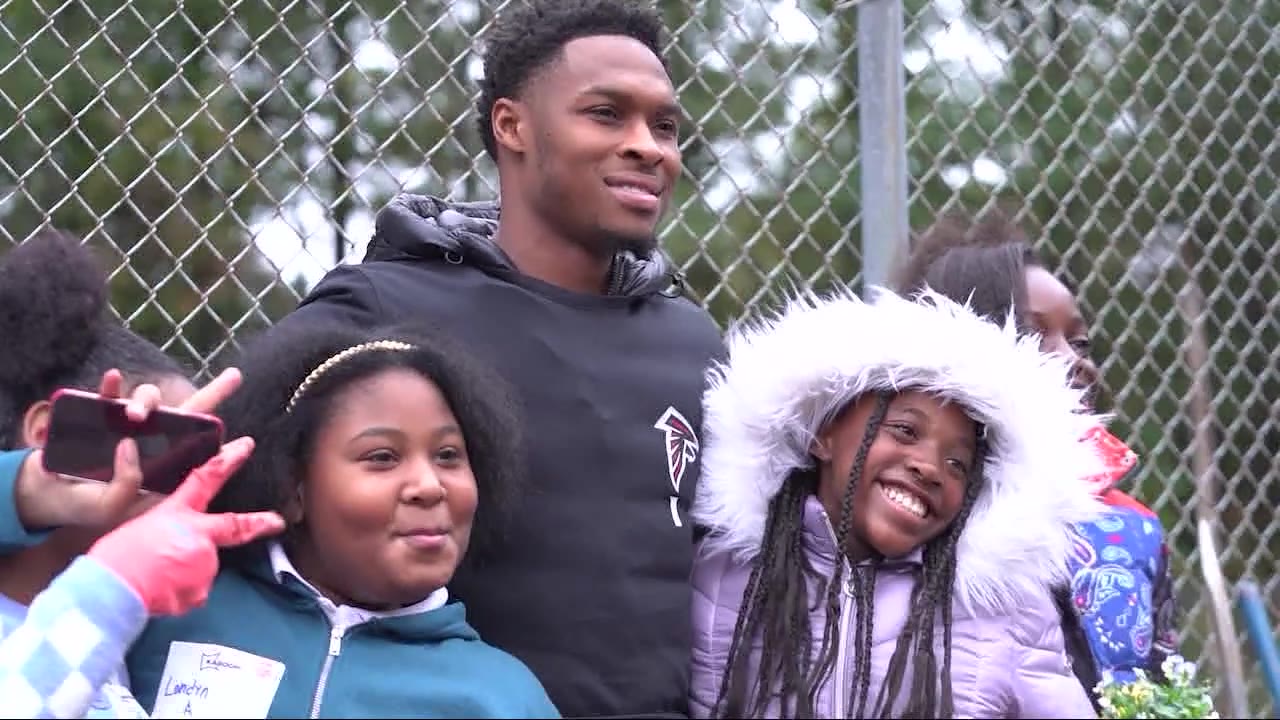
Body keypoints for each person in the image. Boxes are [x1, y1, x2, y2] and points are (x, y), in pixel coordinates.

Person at [264, 0, 725, 715]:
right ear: (512, 126)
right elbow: (232, 483)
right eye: (607, 114)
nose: (649, 147)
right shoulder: (385, 310)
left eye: (664, 125)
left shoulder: (693, 343)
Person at [689, 288, 1106, 718]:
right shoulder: (725, 576)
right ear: (821, 435)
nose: (929, 468)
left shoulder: (1003, 614)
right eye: (905, 432)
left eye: (958, 464)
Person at [124, 322, 559, 718]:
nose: (429, 486)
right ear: (293, 486)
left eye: (448, 456)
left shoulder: (501, 697)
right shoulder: (162, 607)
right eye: (383, 457)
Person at [893, 210, 1179, 702]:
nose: (1077, 361)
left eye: (1080, 340)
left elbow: (1168, 680)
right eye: (1035, 333)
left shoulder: (1130, 528)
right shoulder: (906, 507)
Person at [0, 229, 248, 718]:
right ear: (49, 435)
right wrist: (114, 584)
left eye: (189, 458)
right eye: (158, 444)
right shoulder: (96, 610)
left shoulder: (115, 646)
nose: (179, 486)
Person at [0, 439, 285, 719]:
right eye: (150, 459)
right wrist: (113, 587)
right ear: (43, 431)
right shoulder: (96, 614)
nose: (175, 499)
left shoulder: (105, 648)